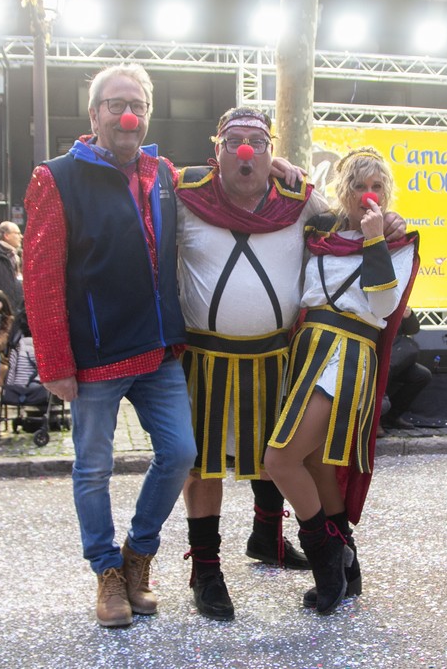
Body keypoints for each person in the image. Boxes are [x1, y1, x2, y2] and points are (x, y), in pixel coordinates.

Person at [23, 63, 198, 628]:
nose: (128, 115)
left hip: (158, 348)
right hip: (96, 354)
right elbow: (41, 277)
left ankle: (137, 554)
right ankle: (106, 572)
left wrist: (285, 166)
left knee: (180, 454)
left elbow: (219, 187)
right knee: (93, 468)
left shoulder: (163, 172)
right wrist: (55, 362)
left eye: (138, 105)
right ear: (94, 113)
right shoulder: (55, 177)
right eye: (117, 104)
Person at [174, 106, 331, 621]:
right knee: (204, 465)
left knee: (275, 451)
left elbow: (343, 226)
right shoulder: (185, 197)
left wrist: (300, 178)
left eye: (257, 143)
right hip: (204, 359)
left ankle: (267, 536)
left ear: (271, 151)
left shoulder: (298, 201)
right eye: (234, 141)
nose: (245, 151)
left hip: (277, 357)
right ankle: (206, 569)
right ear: (216, 149)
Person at [264, 147, 419, 616]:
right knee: (313, 462)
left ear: (386, 193)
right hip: (307, 349)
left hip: (348, 354)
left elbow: (385, 306)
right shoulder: (324, 229)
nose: (367, 195)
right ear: (344, 190)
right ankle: (348, 564)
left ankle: (327, 558)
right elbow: (303, 192)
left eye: (376, 187)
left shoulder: (399, 242)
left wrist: (375, 240)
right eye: (358, 186)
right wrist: (277, 164)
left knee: (280, 459)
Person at [381, 306, 431, 427]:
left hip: (395, 352)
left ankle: (391, 416)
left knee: (422, 375)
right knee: (385, 369)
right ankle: (376, 418)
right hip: (377, 352)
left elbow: (412, 330)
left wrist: (408, 315)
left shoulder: (397, 302)